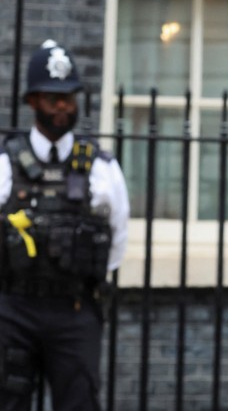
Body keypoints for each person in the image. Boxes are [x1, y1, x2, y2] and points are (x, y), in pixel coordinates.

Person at [0, 40, 130, 411]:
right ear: (32, 101)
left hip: (74, 310)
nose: (62, 106)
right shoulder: (5, 163)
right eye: (52, 98)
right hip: (14, 308)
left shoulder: (101, 167)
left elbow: (118, 237)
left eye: (68, 98)